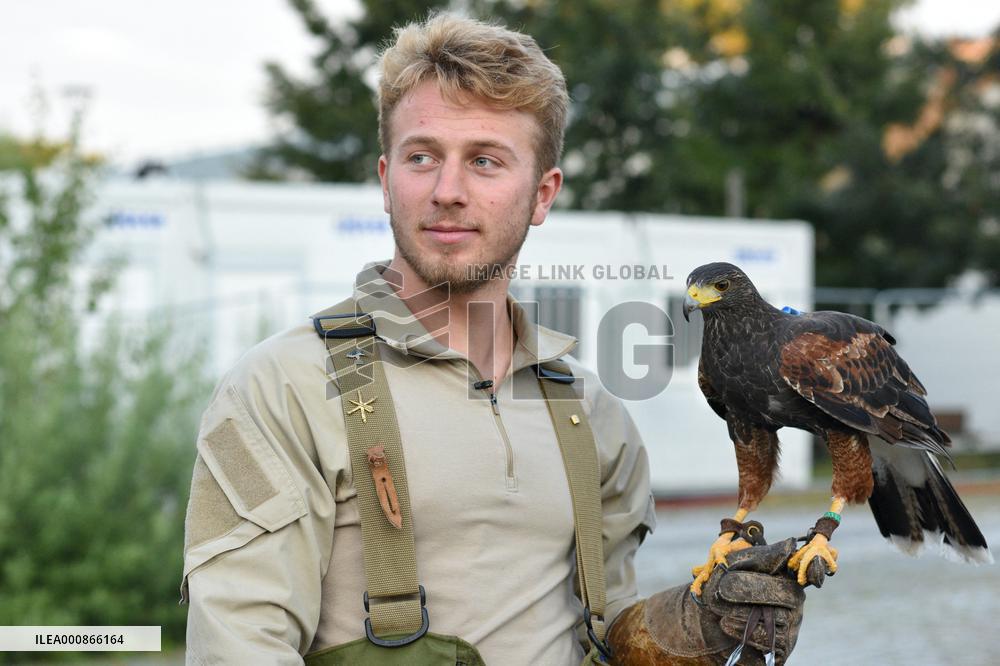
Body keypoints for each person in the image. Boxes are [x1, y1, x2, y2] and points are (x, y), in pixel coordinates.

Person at [181, 12, 806, 665]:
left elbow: (606, 635)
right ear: (386, 180)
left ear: (542, 194)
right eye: (422, 157)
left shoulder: (594, 415)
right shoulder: (283, 386)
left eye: (485, 161)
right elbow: (239, 647)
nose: (447, 191)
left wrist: (695, 629)